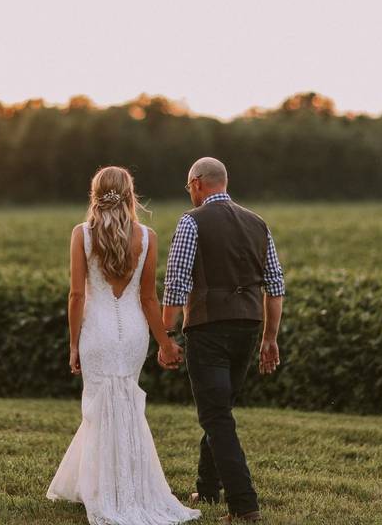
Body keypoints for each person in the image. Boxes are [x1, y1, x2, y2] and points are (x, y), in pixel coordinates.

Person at [47, 166, 202, 525]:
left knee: (99, 410)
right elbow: (149, 299)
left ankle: (105, 492)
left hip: (96, 332)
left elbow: (76, 295)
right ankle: (118, 488)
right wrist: (163, 342)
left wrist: (73, 344)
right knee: (126, 406)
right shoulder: (146, 236)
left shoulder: (81, 235)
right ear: (130, 195)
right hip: (133, 333)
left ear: (95, 194)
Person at [160, 157, 285, 524]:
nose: (190, 194)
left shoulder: (191, 221)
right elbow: (275, 286)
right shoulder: (258, 223)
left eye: (189, 188)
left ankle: (244, 505)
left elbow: (177, 281)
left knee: (215, 415)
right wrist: (270, 338)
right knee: (220, 409)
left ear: (197, 183)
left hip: (208, 327)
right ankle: (208, 487)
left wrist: (166, 333)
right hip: (249, 326)